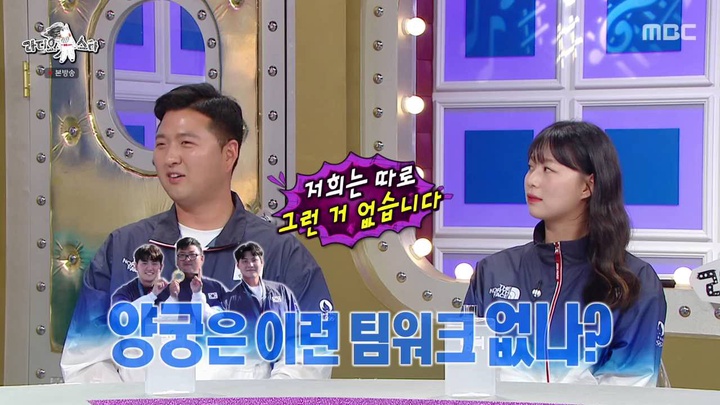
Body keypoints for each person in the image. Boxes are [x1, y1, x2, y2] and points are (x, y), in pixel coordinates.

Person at [61, 83, 334, 383]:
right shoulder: (123, 248)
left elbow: (308, 362)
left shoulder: (281, 254)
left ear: (229, 154)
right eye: (161, 144)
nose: (170, 157)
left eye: (186, 143)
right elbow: (84, 362)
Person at [463, 121, 666, 386]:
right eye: (531, 167)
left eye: (548, 169)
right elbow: (467, 374)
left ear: (587, 186)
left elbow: (630, 386)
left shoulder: (635, 281)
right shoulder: (492, 271)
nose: (532, 180)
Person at [162, 237, 227, 320]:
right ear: (177, 261)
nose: (187, 259)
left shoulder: (215, 287)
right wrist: (173, 297)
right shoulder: (168, 290)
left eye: (192, 255)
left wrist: (197, 293)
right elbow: (163, 321)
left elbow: (221, 318)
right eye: (182, 255)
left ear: (202, 258)